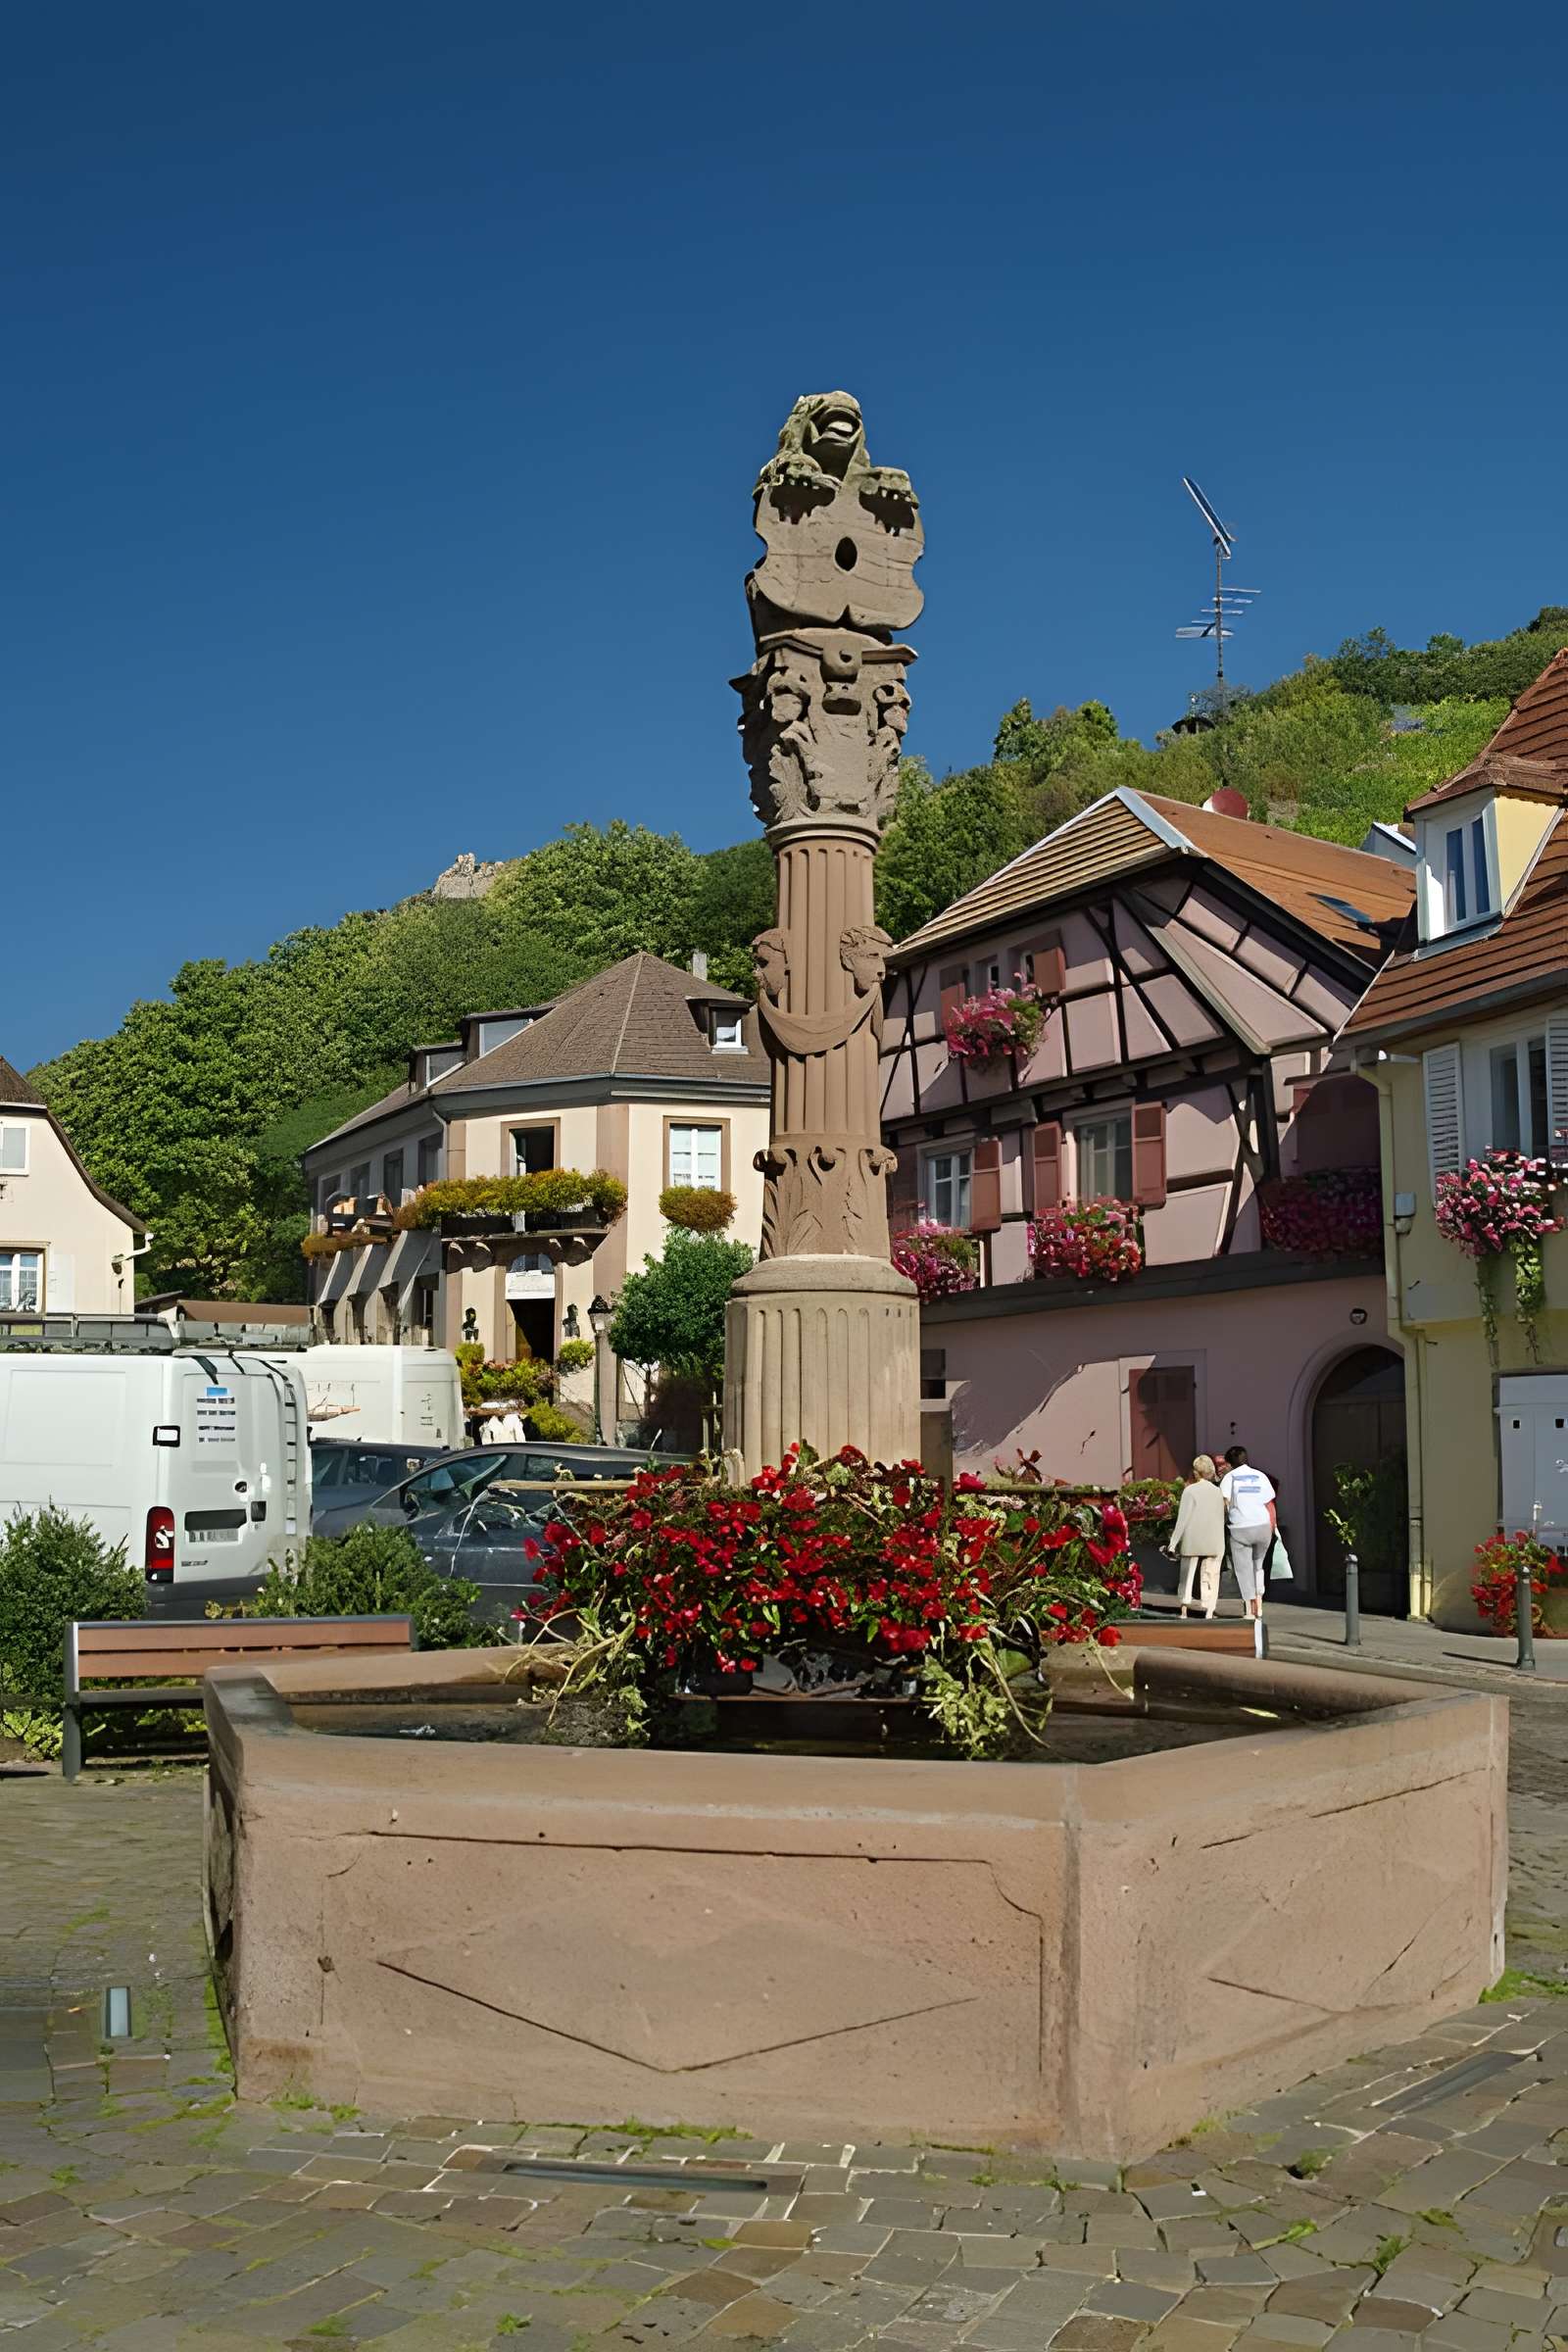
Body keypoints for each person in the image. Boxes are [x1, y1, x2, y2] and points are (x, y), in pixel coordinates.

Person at [1218, 1444, 1276, 1620]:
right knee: (1258, 1566)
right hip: (1263, 1526)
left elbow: (1224, 1503)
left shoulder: (1229, 1478)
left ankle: (1250, 1610)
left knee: (1244, 1569)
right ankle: (1260, 1601)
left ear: (1229, 1464)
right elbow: (1269, 1504)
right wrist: (1272, 1527)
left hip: (1241, 1528)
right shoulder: (1261, 1476)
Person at [1169, 1455, 1227, 1620]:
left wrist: (1173, 1543)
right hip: (1214, 1538)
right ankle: (1209, 1609)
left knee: (1187, 1574)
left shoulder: (1190, 1491)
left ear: (1196, 1472)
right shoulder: (1218, 1492)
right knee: (1212, 1574)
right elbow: (1221, 1517)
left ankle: (1184, 1609)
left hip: (1192, 1537)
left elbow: (1183, 1519)